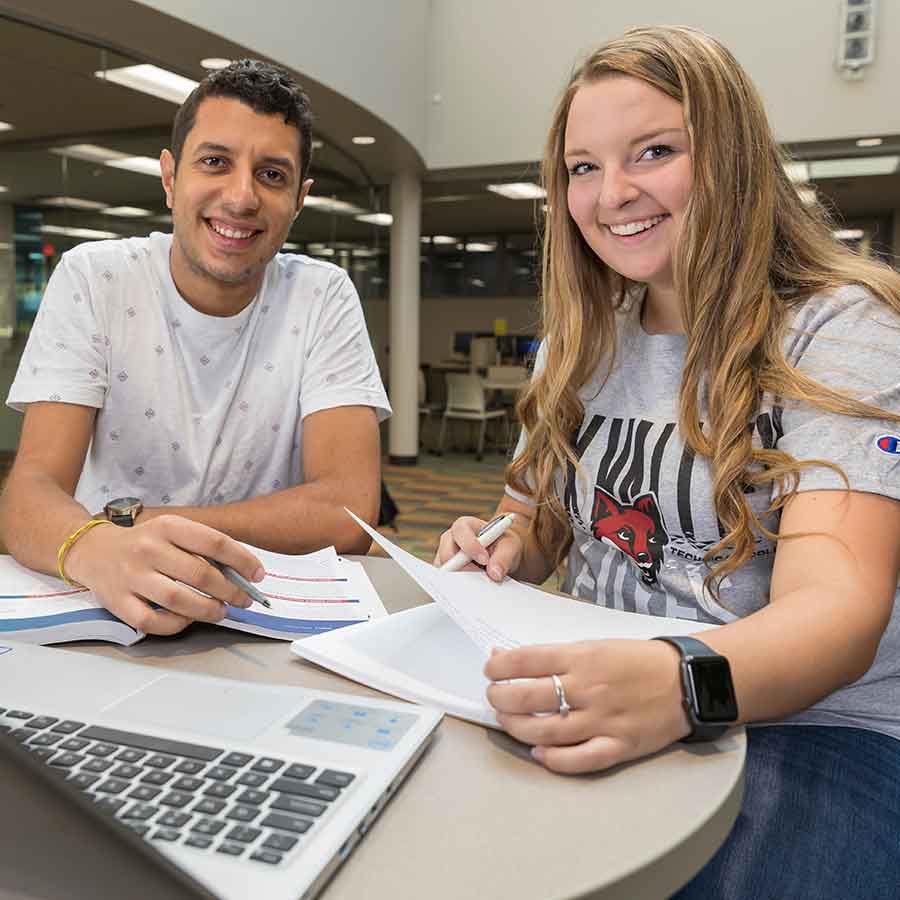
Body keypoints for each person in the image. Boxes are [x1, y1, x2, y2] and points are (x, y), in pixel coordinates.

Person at [435, 26, 900, 899]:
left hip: (815, 727)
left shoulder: (844, 327)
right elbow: (531, 517)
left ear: (729, 156)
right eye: (582, 167)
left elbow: (837, 612)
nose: (613, 194)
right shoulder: (581, 339)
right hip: (613, 688)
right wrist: (500, 540)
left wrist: (681, 684)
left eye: (653, 151)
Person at [0, 60, 389, 637]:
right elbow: (30, 492)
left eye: (272, 175)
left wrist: (148, 525)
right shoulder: (95, 278)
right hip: (104, 597)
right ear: (170, 176)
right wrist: (98, 548)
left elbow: (348, 510)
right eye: (215, 162)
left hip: (256, 607)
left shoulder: (321, 295)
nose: (241, 197)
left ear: (299, 199)